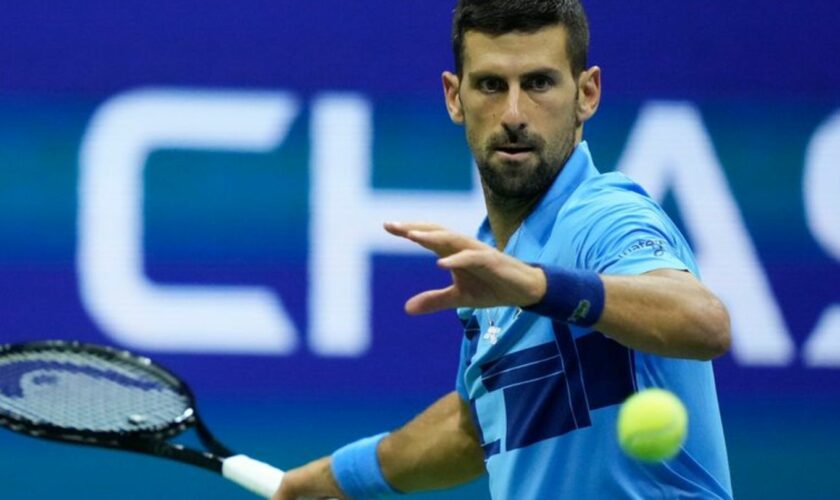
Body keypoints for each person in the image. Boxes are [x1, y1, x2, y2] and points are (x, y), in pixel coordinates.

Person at [275, 0, 733, 498]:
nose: (513, 114)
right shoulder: (493, 260)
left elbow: (704, 322)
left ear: (587, 94)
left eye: (538, 83)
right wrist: (338, 478)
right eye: (492, 85)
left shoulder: (606, 216)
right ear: (455, 97)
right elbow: (473, 428)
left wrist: (537, 285)